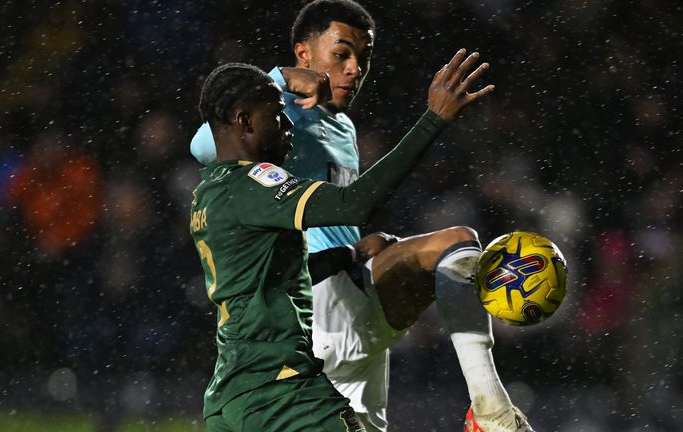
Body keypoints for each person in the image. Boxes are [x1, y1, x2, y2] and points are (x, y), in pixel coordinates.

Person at [190, 2, 533, 431]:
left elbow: (339, 208)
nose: (354, 68)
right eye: (341, 54)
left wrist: (352, 247)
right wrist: (278, 81)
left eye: (363, 58)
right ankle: (493, 414)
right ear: (303, 54)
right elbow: (205, 144)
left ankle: (489, 409)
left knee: (458, 246)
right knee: (455, 242)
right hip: (311, 309)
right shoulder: (277, 115)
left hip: (342, 289)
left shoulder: (344, 127)